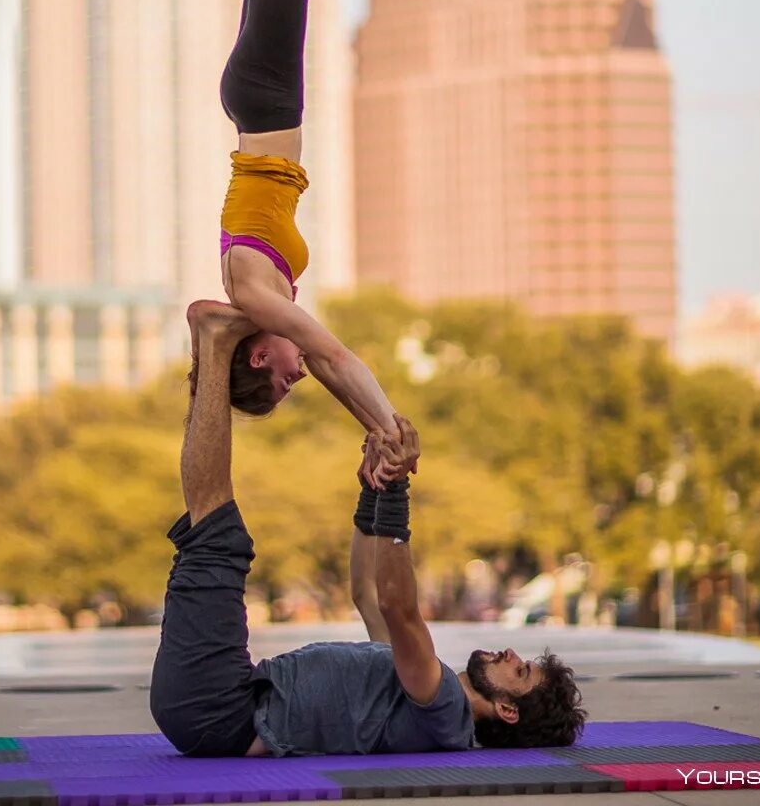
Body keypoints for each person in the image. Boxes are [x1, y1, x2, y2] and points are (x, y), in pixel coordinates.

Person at [150, 301, 587, 758]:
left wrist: (397, 489)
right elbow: (365, 591)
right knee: (215, 538)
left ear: (506, 710)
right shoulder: (412, 683)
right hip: (224, 704)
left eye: (521, 673)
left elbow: (398, 607)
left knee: (218, 540)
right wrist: (373, 489)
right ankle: (213, 344)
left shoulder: (442, 709)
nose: (512, 656)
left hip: (222, 713)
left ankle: (215, 344)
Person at [212, 0, 399, 476]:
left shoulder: (257, 300)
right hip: (261, 107)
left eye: (278, 385)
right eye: (292, 387)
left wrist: (384, 425)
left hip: (263, 105)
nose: (293, 380)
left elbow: (326, 355)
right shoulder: (258, 294)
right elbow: (316, 354)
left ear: (257, 358)